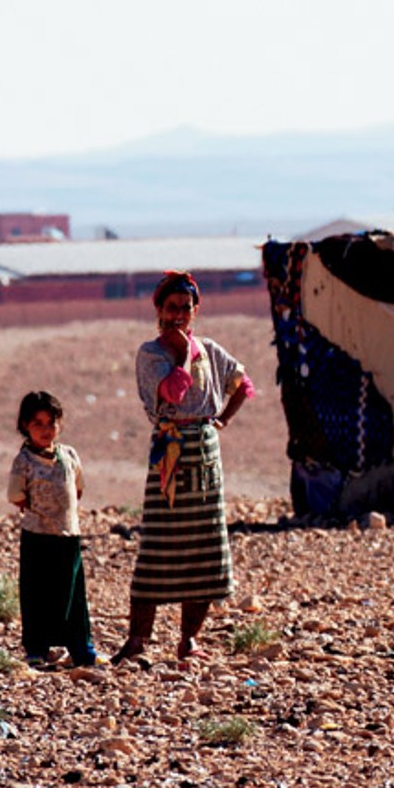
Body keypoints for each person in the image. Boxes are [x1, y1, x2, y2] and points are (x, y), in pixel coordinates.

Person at [114, 271, 254, 663]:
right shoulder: (152, 354)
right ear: (158, 310)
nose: (178, 315)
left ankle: (189, 639)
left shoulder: (210, 349)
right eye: (171, 308)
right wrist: (180, 352)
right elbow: (171, 393)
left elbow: (242, 384)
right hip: (170, 452)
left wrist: (222, 419)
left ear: (195, 311)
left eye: (185, 309)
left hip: (205, 453)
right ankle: (138, 639)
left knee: (205, 549)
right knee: (158, 547)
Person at [6, 390, 98, 668]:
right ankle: (37, 648)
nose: (46, 430)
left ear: (60, 424)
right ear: (24, 425)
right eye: (38, 423)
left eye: (51, 423)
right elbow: (15, 495)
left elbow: (78, 487)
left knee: (72, 594)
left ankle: (81, 648)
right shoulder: (24, 461)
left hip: (68, 535)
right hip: (37, 537)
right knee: (37, 593)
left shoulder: (69, 455)